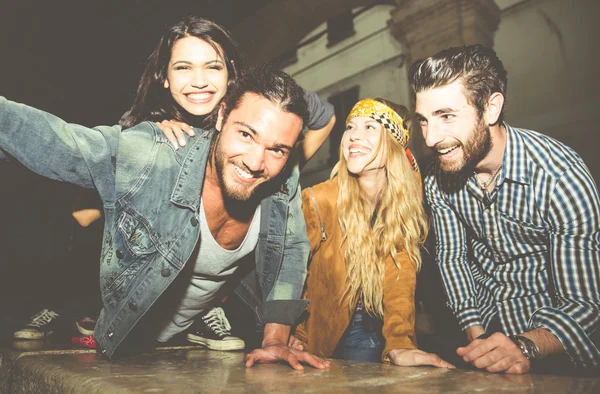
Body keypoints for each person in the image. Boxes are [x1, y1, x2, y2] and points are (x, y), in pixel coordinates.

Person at [10, 16, 335, 353]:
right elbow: (64, 150)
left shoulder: (268, 126)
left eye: (212, 67)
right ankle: (71, 306)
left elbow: (319, 118)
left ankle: (207, 315)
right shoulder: (149, 137)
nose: (199, 82)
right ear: (164, 78)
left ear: (231, 75)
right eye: (183, 68)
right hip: (132, 324)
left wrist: (272, 166)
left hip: (218, 302)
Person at [409, 44, 600, 374]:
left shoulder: (559, 177)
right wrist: (477, 336)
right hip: (482, 331)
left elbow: (586, 303)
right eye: (424, 120)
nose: (429, 138)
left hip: (557, 347)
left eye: (446, 116)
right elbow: (452, 258)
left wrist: (527, 345)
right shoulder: (438, 178)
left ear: (491, 108)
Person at [287, 98, 454, 368]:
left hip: (370, 330)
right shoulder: (319, 200)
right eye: (350, 127)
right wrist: (292, 332)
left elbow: (399, 280)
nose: (354, 136)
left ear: (393, 144)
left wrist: (401, 342)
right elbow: (289, 270)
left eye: (369, 128)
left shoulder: (402, 207)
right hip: (315, 333)